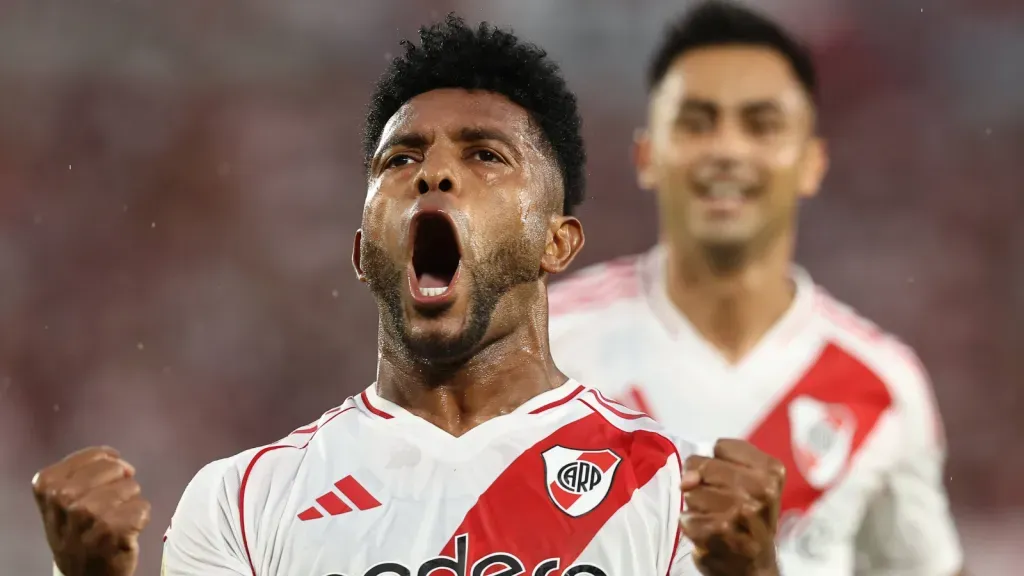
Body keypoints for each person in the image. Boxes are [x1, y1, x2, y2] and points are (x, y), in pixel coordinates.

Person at [32, 15, 786, 576]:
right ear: (363, 251)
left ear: (557, 243)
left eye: (486, 154)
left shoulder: (668, 489)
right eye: (402, 158)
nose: (434, 175)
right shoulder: (243, 501)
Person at [548, 2, 964, 575]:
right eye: (697, 121)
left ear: (812, 162)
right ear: (647, 155)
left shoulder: (883, 387)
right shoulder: (545, 344)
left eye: (761, 124)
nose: (727, 149)